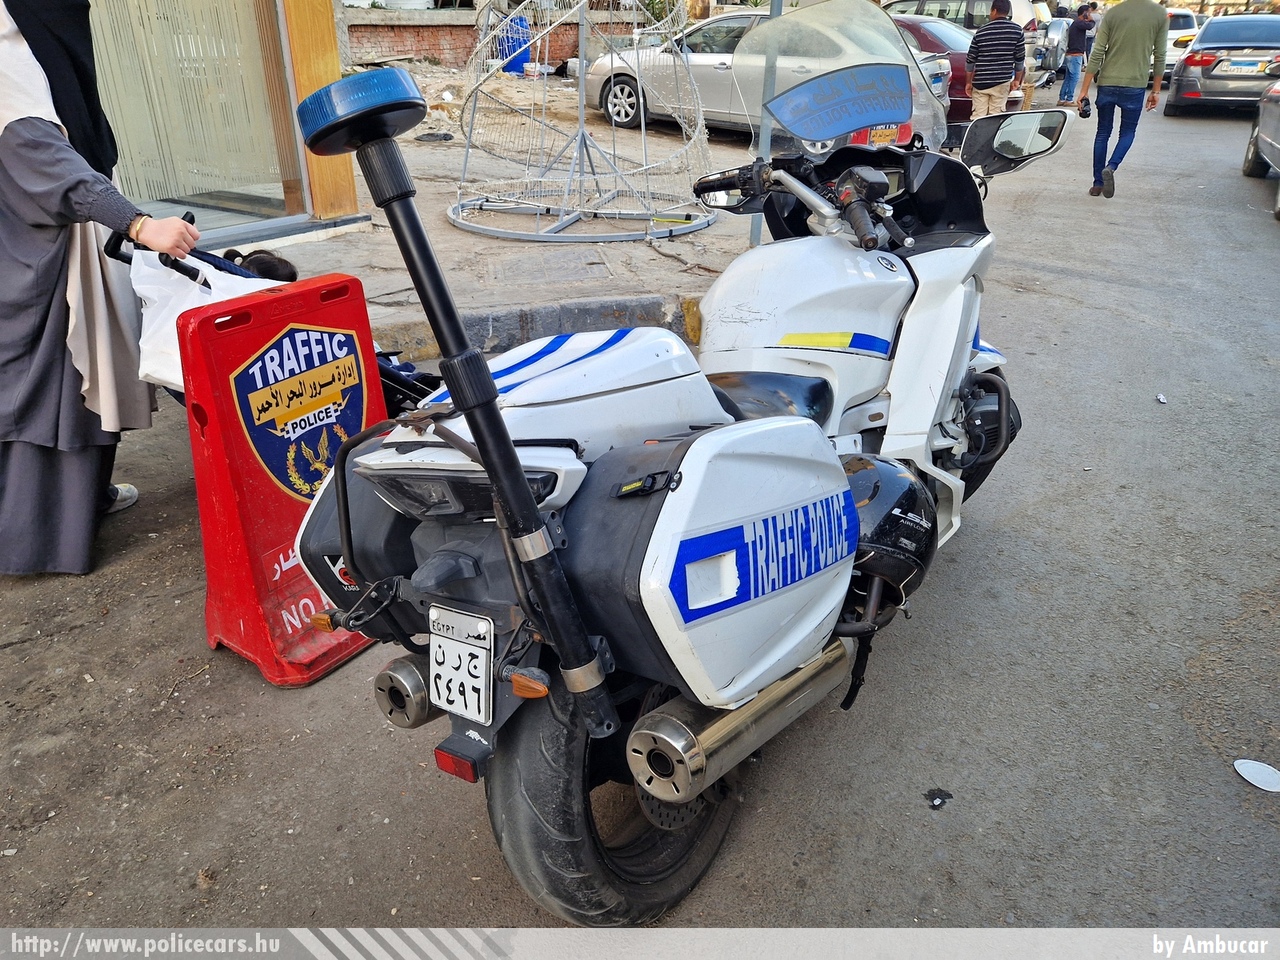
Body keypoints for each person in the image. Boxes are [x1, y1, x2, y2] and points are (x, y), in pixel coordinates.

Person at [0, 0, 199, 575]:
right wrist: (140, 225)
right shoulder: (12, 74)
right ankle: (39, 541)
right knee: (57, 395)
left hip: (27, 248)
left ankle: (84, 504)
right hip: (37, 266)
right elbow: (52, 169)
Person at [1074, 0, 1168, 198]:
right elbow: (1160, 55)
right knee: (1127, 132)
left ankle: (1098, 183)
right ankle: (1112, 166)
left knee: (1102, 133)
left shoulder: (1113, 13)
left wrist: (1084, 90)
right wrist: (1156, 90)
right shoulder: (1159, 14)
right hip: (1135, 84)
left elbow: (1097, 52)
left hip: (1107, 81)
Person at [965, 0, 1026, 120]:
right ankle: (992, 138)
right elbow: (1019, 59)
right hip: (1002, 82)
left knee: (978, 117)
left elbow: (970, 60)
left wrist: (968, 82)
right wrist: (1017, 80)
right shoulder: (1017, 31)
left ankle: (977, 138)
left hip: (981, 82)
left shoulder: (981, 31)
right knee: (995, 117)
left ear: (994, 10)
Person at [1058, 5, 1093, 104]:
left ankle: (1062, 98)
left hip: (1071, 53)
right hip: (1075, 54)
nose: (1090, 15)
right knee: (1075, 78)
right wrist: (1091, 20)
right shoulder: (1079, 23)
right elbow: (1090, 26)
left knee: (1069, 77)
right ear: (1084, 13)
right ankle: (1069, 99)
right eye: (1089, 13)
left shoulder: (1076, 23)